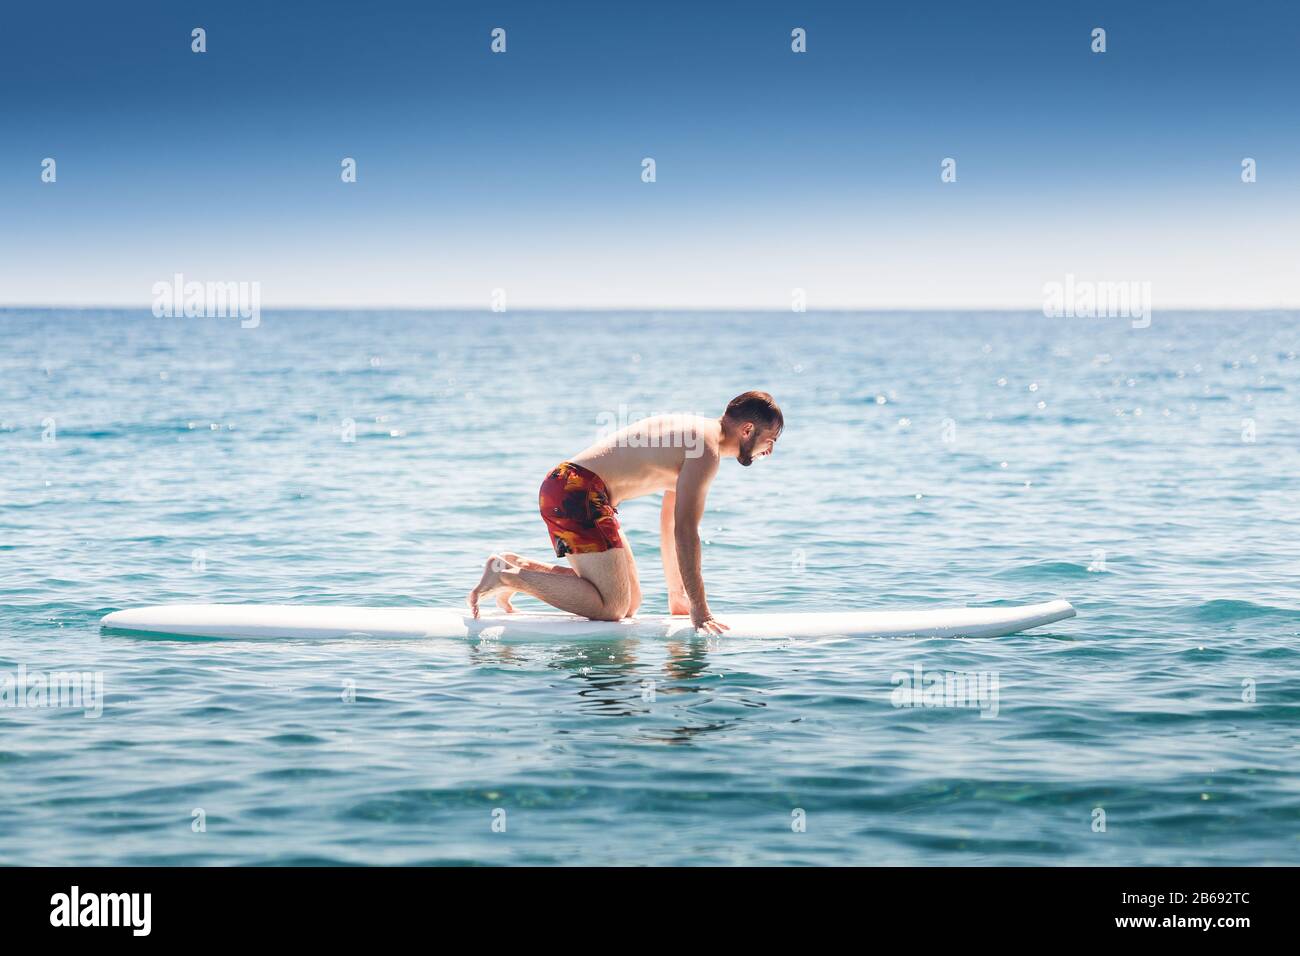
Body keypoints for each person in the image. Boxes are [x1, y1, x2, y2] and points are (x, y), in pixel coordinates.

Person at [467, 391, 783, 635]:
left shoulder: (697, 435)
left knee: (630, 601)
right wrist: (701, 611)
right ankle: (509, 576)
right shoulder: (705, 449)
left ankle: (515, 566)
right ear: (747, 429)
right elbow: (686, 531)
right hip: (577, 489)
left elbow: (670, 520)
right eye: (770, 441)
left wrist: (679, 598)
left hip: (578, 489)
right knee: (613, 607)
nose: (768, 450)